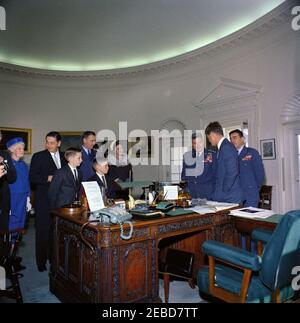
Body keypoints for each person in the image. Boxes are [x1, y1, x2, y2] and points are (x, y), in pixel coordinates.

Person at [29, 131, 66, 272]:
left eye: (52, 142)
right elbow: (32, 177)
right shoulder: (38, 156)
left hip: (59, 202)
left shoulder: (64, 157)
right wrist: (47, 178)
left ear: (59, 143)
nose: (48, 145)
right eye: (47, 142)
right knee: (42, 232)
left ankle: (53, 258)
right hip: (43, 201)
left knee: (56, 232)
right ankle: (41, 262)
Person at [205, 121, 244, 204]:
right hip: (226, 196)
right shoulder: (223, 147)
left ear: (213, 135)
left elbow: (232, 172)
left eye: (208, 138)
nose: (209, 141)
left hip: (229, 196)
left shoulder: (226, 147)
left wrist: (223, 191)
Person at [229, 129, 265, 207]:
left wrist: (254, 189)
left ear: (242, 139)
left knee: (247, 218)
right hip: (235, 196)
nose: (232, 141)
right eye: (230, 139)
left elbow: (260, 175)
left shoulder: (251, 152)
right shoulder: (231, 155)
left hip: (250, 194)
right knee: (236, 218)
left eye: (234, 138)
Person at [181, 133, 217, 200]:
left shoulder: (212, 154)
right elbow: (184, 175)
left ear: (203, 142)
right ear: (192, 144)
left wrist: (215, 192)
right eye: (195, 143)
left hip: (208, 194)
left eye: (199, 142)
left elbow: (216, 175)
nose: (197, 145)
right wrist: (185, 190)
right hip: (192, 194)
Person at [6, 137, 31, 231]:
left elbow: (27, 181)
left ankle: (14, 245)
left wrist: (28, 198)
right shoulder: (6, 165)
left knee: (20, 223)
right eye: (19, 148)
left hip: (23, 198)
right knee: (10, 224)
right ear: (11, 150)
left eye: (23, 148)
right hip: (12, 198)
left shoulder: (24, 164)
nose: (22, 151)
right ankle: (8, 245)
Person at [0, 131, 17, 263]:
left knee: (3, 233)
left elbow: (12, 178)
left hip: (3, 201)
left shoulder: (5, 154)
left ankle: (3, 260)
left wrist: (5, 168)